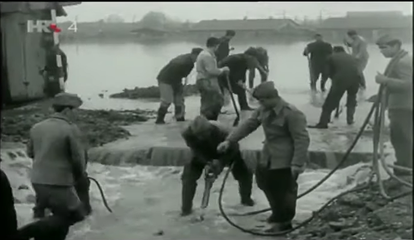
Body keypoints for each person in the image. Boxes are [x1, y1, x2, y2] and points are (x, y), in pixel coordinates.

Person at [217, 81, 310, 232]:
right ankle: (277, 214)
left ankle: (284, 221)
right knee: (263, 182)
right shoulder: (263, 110)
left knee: (283, 189)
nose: (260, 104)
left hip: (285, 159)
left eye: (263, 100)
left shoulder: (292, 113)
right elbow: (249, 125)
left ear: (273, 97)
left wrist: (297, 163)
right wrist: (229, 140)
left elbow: (302, 139)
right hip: (268, 156)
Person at [26, 92, 88, 240]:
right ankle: (27, 233)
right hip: (59, 183)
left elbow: (30, 153)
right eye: (75, 111)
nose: (77, 115)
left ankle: (41, 227)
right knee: (77, 215)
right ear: (67, 110)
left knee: (47, 212)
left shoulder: (36, 127)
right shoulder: (70, 129)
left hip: (37, 180)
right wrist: (79, 177)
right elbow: (78, 160)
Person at [180, 115, 254, 216]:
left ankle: (246, 201)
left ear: (209, 130)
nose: (201, 137)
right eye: (199, 135)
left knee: (244, 173)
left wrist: (221, 163)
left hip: (226, 150)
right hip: (202, 152)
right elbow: (195, 150)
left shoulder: (222, 131)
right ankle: (186, 209)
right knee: (188, 178)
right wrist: (208, 162)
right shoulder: (187, 133)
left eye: (203, 134)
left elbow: (234, 148)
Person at [374, 35, 412, 176]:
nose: (382, 51)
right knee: (400, 138)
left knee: (403, 139)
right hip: (401, 106)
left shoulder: (402, 62)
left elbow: (408, 84)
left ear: (396, 46)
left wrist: (385, 80)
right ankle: (404, 167)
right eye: (380, 48)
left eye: (384, 48)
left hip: (404, 107)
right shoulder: (401, 59)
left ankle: (406, 169)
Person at [308, 46, 362, 129]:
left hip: (341, 80)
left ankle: (323, 123)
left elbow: (326, 72)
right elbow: (359, 70)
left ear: (334, 51)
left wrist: (331, 80)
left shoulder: (331, 57)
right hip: (356, 79)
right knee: (351, 99)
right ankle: (350, 120)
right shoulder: (352, 57)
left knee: (330, 102)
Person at [155, 48, 204, 124]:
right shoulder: (187, 63)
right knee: (167, 100)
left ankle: (179, 118)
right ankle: (159, 120)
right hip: (165, 79)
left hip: (175, 79)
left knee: (179, 100)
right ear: (195, 55)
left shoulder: (186, 58)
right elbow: (184, 74)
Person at [195, 37, 230, 120]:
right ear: (215, 45)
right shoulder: (207, 55)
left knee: (206, 102)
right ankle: (210, 120)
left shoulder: (204, 53)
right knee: (215, 101)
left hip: (203, 80)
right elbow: (212, 71)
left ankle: (204, 120)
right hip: (207, 81)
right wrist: (223, 69)